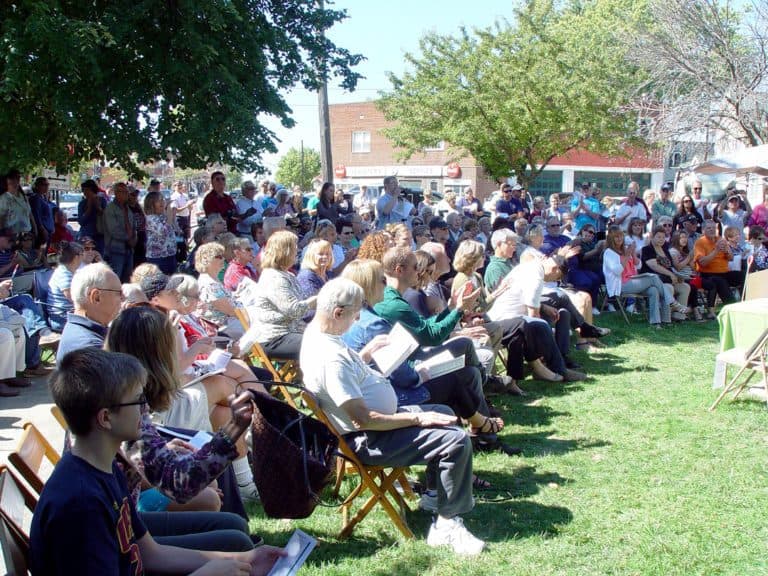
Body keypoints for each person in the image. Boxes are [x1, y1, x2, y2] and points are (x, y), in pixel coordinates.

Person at [31, 348, 284, 575]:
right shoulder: (81, 505)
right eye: (138, 401)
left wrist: (246, 559)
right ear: (106, 418)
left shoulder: (107, 467)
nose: (145, 410)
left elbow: (151, 553)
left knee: (236, 541)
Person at [301, 278, 486, 556]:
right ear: (338, 312)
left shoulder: (318, 335)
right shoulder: (330, 358)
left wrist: (365, 355)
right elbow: (364, 419)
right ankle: (447, 526)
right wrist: (418, 419)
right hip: (368, 439)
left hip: (373, 428)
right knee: (455, 440)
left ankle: (435, 496)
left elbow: (347, 382)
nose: (358, 319)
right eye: (355, 314)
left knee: (446, 413)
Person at [238, 230, 315, 360]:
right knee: (319, 344)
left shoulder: (287, 275)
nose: (297, 250)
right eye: (294, 248)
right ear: (285, 252)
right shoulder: (274, 277)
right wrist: (317, 299)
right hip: (274, 337)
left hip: (291, 331)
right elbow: (294, 311)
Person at [603, 225, 671, 327]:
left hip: (633, 280)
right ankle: (673, 302)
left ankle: (657, 322)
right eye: (616, 236)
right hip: (620, 285)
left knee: (653, 290)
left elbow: (638, 265)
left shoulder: (625, 249)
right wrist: (627, 255)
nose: (619, 238)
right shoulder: (609, 253)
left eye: (621, 236)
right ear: (610, 238)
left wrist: (633, 253)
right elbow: (617, 271)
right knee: (653, 277)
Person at [56, 263, 123, 363]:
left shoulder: (77, 328)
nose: (123, 299)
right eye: (119, 293)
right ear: (96, 297)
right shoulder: (92, 348)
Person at [641, 226, 692, 321]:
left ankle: (678, 316)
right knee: (669, 287)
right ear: (652, 237)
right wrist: (670, 275)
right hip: (655, 281)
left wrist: (677, 276)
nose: (661, 239)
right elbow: (654, 266)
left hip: (668, 279)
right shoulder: (647, 249)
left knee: (685, 287)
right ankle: (666, 319)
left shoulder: (665, 250)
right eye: (659, 237)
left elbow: (671, 267)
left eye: (663, 237)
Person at [194, 241, 243, 338]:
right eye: (219, 257)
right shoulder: (209, 284)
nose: (223, 259)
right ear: (207, 260)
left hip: (230, 323)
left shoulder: (212, 280)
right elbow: (231, 311)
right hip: (223, 328)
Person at [47, 241, 84, 331]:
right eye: (82, 254)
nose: (83, 257)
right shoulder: (64, 273)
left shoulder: (72, 271)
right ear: (76, 257)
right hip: (62, 317)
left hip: (71, 313)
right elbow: (73, 298)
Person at [103, 182, 136, 282]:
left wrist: (134, 239)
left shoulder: (127, 208)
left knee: (128, 279)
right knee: (115, 278)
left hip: (129, 249)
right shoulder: (110, 208)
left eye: (127, 192)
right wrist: (128, 238)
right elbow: (113, 230)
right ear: (117, 193)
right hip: (115, 249)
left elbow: (133, 226)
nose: (126, 194)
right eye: (123, 192)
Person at [297, 238, 333, 321]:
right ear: (311, 256)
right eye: (321, 254)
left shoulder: (328, 274)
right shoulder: (306, 276)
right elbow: (310, 310)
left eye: (328, 254)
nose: (325, 257)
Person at [143, 191, 178, 275]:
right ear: (151, 204)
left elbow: (173, 228)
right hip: (158, 258)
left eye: (163, 200)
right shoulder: (151, 218)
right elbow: (163, 231)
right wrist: (169, 211)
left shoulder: (162, 216)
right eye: (159, 200)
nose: (162, 202)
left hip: (169, 255)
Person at [0, 168, 35, 235]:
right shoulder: (3, 199)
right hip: (12, 235)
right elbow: (1, 219)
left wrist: (35, 230)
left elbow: (30, 214)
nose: (16, 180)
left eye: (18, 177)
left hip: (27, 234)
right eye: (13, 178)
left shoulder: (23, 196)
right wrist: (2, 236)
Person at [28, 176, 55, 245]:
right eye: (44, 185)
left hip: (49, 230)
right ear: (37, 186)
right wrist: (42, 229)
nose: (47, 187)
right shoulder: (36, 198)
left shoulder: (43, 198)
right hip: (42, 232)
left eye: (48, 184)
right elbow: (36, 216)